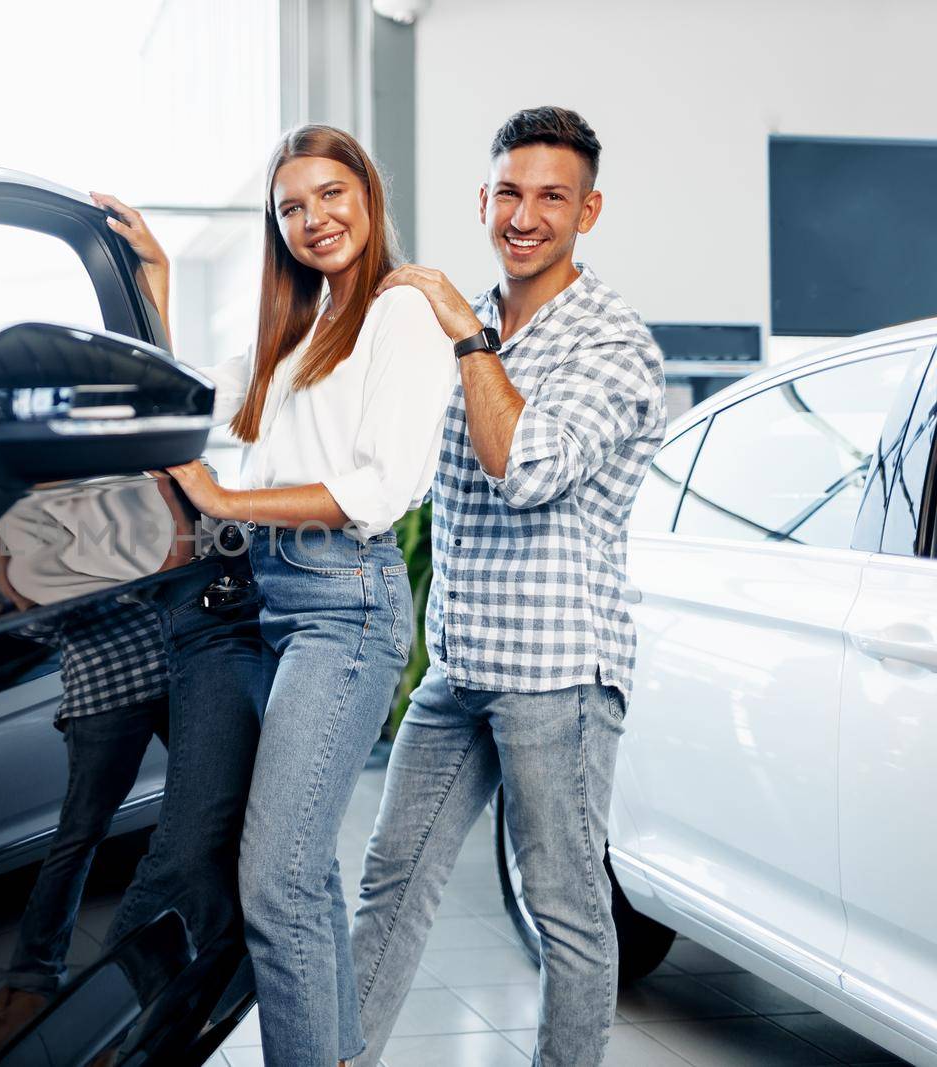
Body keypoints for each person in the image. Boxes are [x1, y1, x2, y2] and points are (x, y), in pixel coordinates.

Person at [93, 122, 457, 1067]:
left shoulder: (399, 313)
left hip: (346, 603)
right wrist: (158, 287)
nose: (313, 218)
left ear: (368, 196)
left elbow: (376, 488)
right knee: (303, 876)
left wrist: (225, 497)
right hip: (270, 603)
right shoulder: (298, 336)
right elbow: (192, 403)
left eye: (330, 194)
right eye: (291, 206)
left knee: (279, 878)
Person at [347, 106, 667, 1067]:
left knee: (565, 909)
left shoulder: (614, 346)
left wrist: (465, 340)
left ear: (589, 210)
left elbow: (525, 468)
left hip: (558, 672)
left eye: (552, 198)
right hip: (461, 665)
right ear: (484, 199)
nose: (526, 216)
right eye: (511, 194)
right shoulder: (473, 327)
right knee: (389, 883)